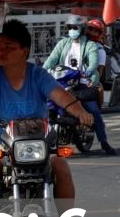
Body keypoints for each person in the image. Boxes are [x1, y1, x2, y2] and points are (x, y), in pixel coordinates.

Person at [0, 19, 94, 217]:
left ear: (24, 51)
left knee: (62, 167)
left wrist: (80, 112)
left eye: (9, 47)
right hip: (0, 141)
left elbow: (60, 96)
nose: (1, 51)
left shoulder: (39, 76)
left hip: (38, 143)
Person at [42, 14, 115, 155]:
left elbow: (93, 64)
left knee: (93, 111)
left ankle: (104, 142)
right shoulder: (63, 43)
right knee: (45, 107)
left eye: (74, 27)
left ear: (81, 29)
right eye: (69, 27)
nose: (71, 30)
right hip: (62, 82)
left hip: (82, 83)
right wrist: (44, 71)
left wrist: (86, 73)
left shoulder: (91, 46)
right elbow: (50, 61)